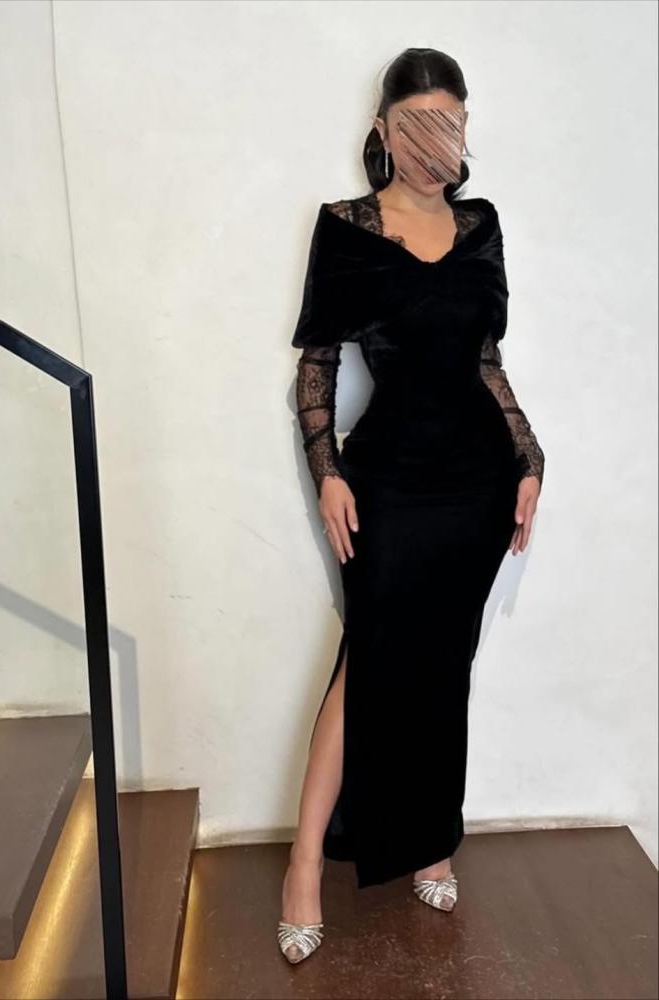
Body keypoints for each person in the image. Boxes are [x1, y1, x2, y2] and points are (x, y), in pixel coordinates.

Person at [277, 47, 545, 965]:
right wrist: (327, 472)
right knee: (368, 666)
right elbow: (316, 365)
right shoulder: (346, 227)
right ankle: (303, 867)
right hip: (387, 481)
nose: (435, 144)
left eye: (450, 125)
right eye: (417, 125)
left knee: (442, 665)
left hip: (477, 483)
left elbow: (485, 361)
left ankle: (431, 839)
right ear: (383, 131)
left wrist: (528, 457)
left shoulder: (480, 225)